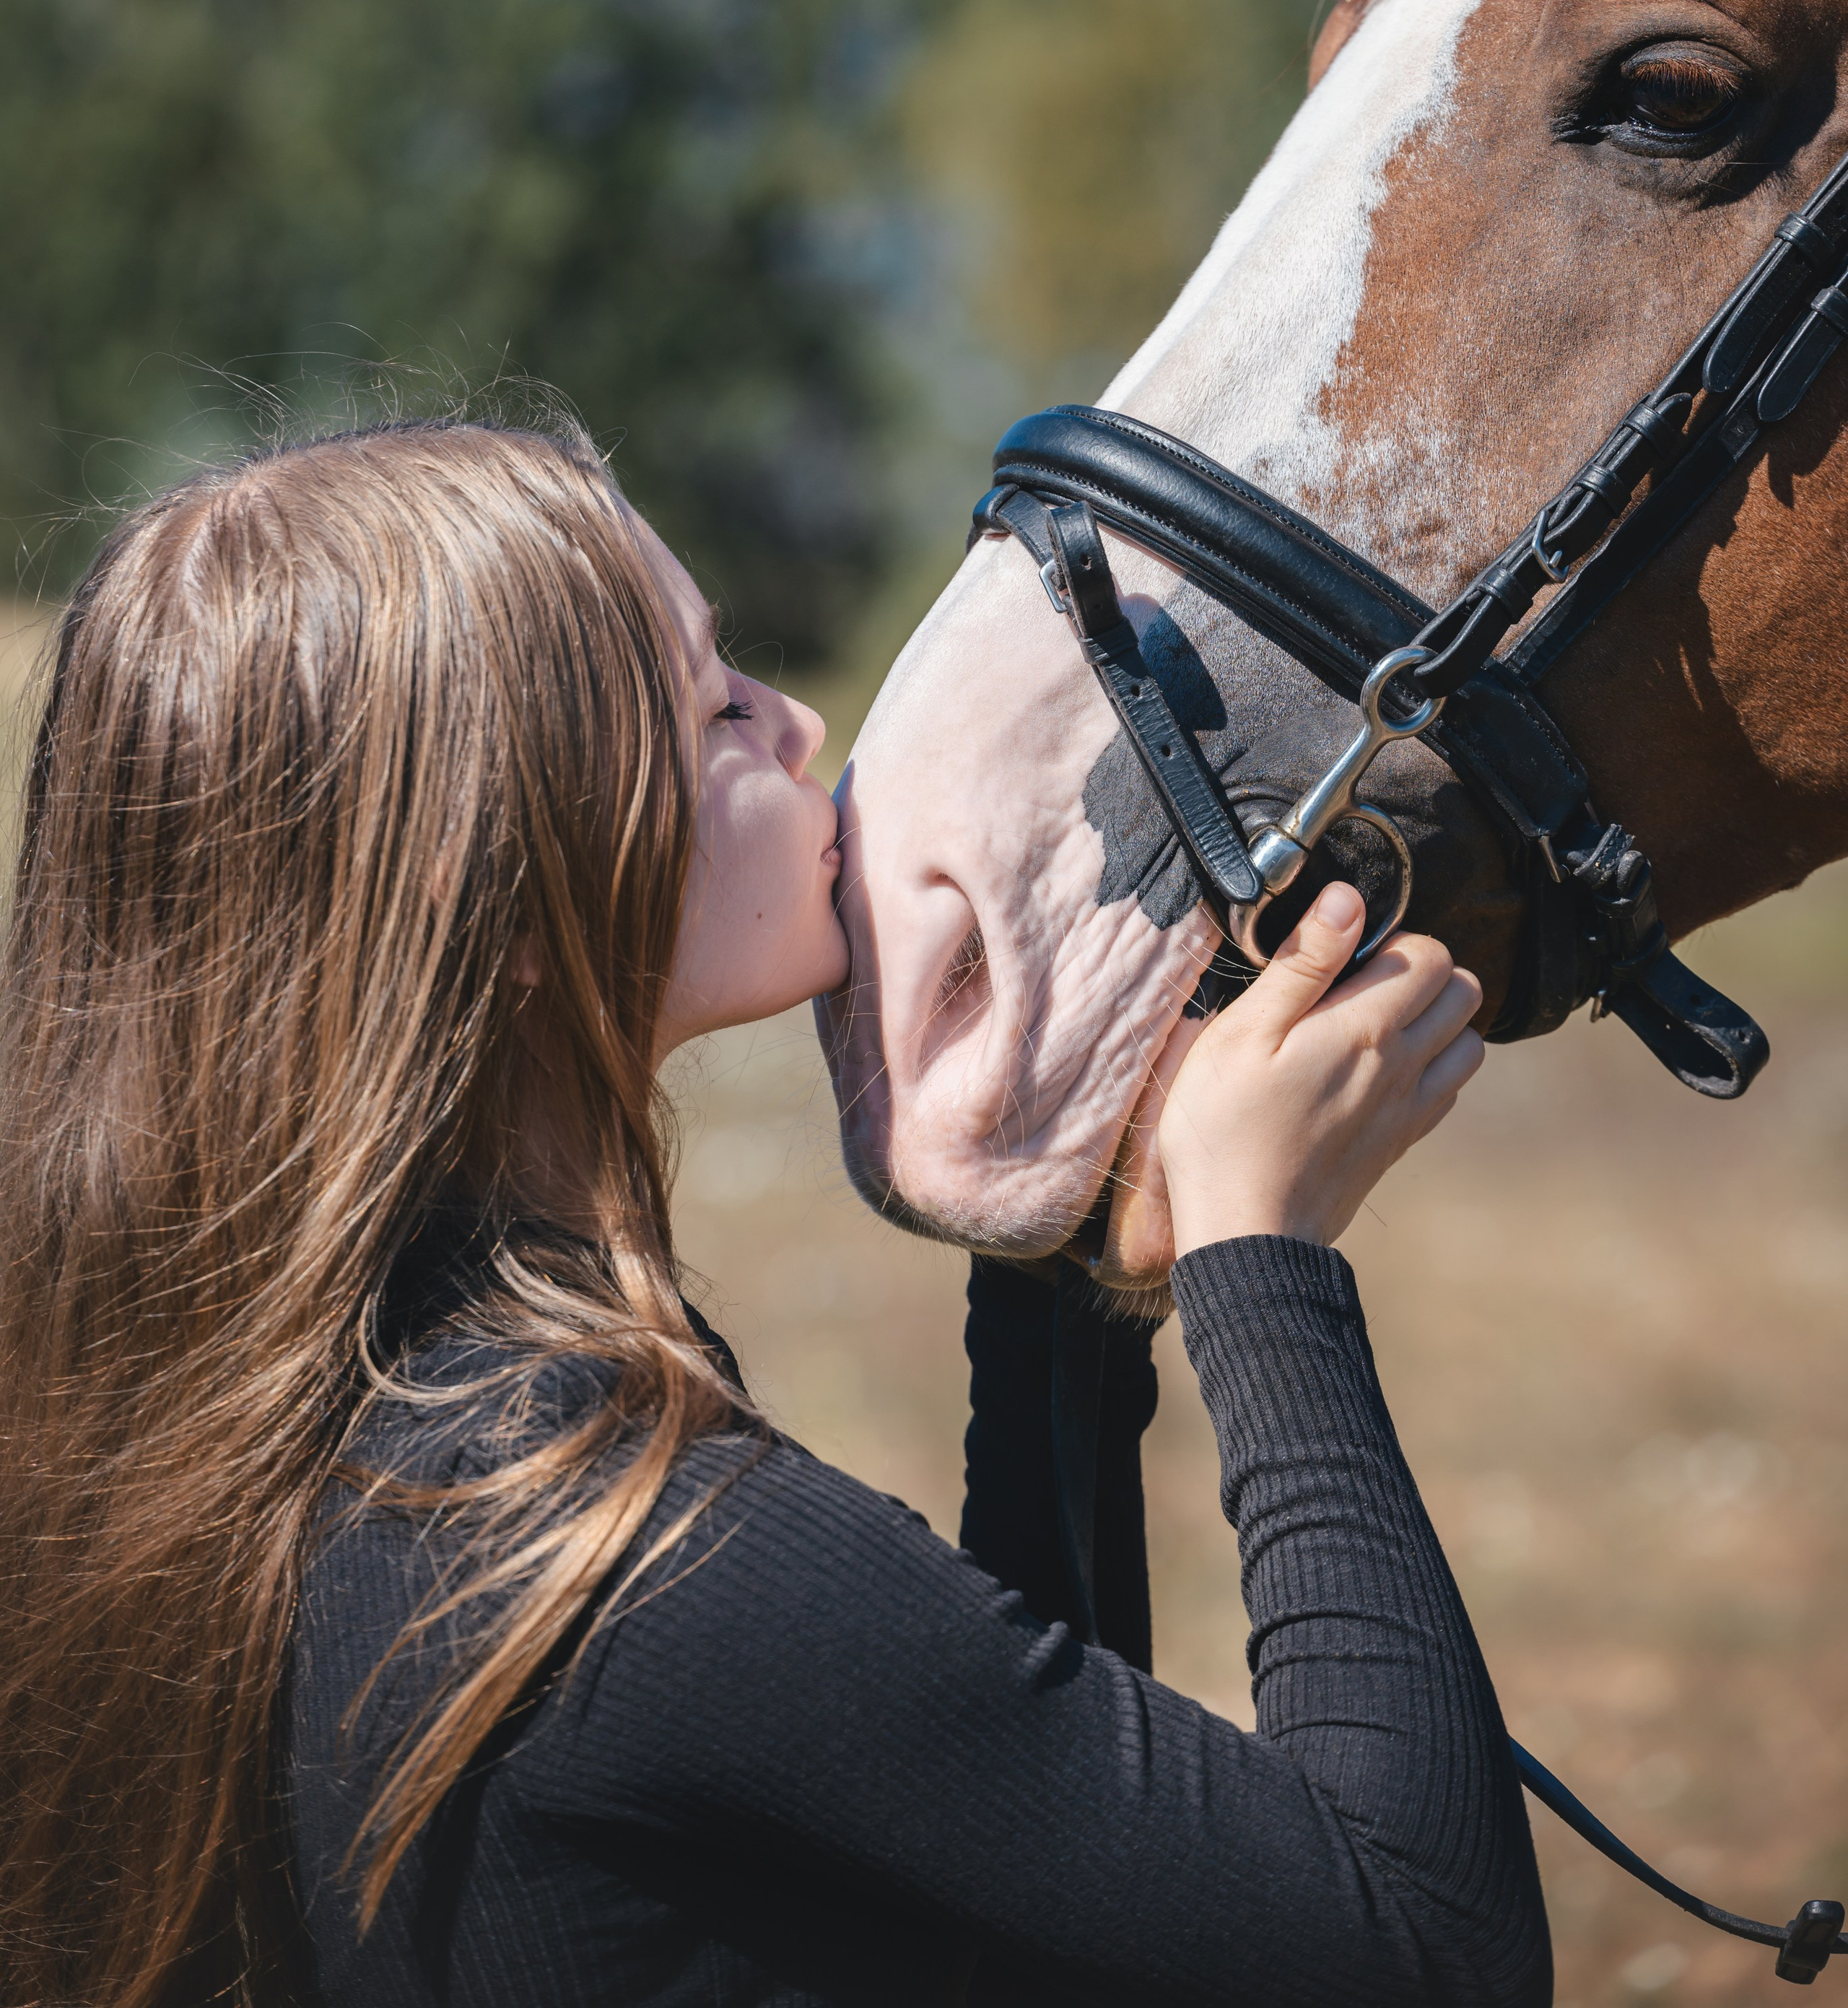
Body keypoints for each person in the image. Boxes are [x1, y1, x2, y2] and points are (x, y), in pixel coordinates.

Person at [0, 417, 1548, 2008]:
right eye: (715, 707)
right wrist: (1259, 1250)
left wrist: (1058, 1271)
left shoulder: (317, 1436)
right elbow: (1420, 1951)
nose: (803, 724)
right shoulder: (598, 1540)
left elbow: (1006, 1839)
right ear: (507, 883)